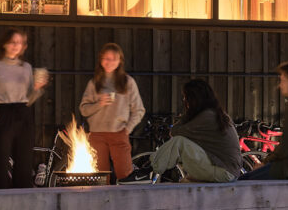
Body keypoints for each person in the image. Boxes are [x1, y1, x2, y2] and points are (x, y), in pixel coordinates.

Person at [0, 28, 46, 189]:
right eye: (13, 42)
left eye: (20, 43)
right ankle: (0, 198)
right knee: (0, 161)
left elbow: (29, 100)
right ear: (4, 43)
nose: (16, 46)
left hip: (23, 113)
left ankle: (23, 199)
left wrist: (37, 88)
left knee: (24, 159)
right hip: (2, 113)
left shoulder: (26, 67)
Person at [152, 78, 242, 182]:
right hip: (226, 171)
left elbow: (175, 132)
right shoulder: (216, 114)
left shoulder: (207, 117)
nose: (184, 100)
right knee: (184, 183)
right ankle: (154, 167)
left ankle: (152, 167)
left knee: (180, 141)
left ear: (194, 99)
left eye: (186, 97)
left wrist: (188, 114)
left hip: (225, 173)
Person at [79, 42, 145, 181]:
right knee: (100, 179)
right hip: (97, 135)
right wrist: (99, 104)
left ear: (120, 61)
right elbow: (84, 110)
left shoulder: (127, 82)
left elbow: (139, 110)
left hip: (119, 134)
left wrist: (127, 129)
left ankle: (124, 203)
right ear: (101, 59)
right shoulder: (94, 83)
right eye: (106, 58)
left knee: (125, 177)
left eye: (114, 58)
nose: (109, 62)